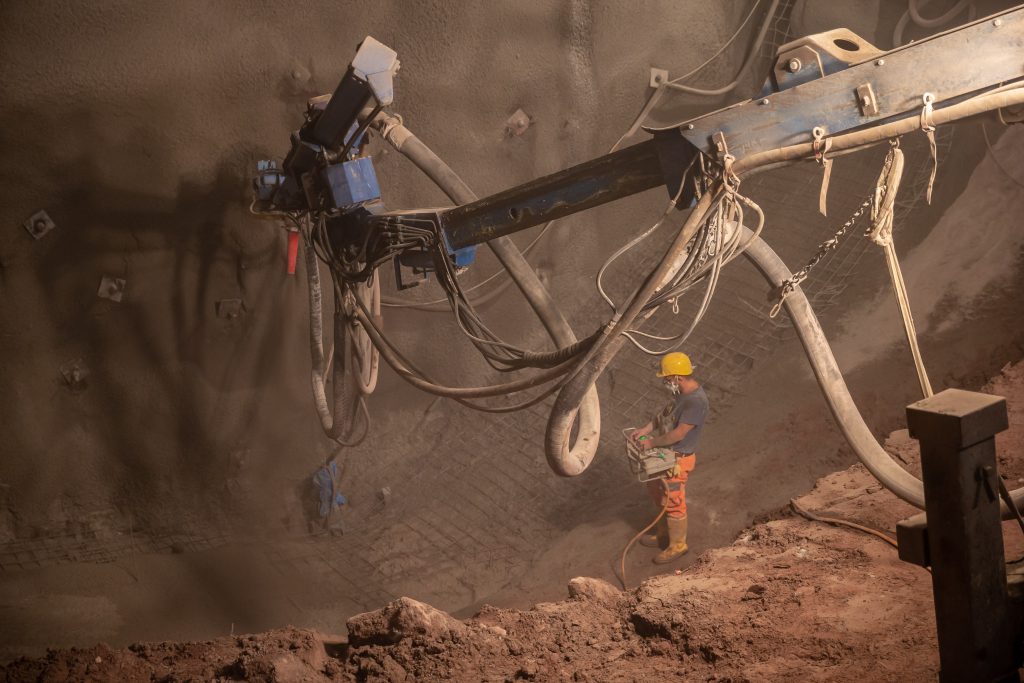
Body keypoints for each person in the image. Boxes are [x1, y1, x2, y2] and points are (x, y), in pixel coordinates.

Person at [629, 351, 709, 564]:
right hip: (665, 455)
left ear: (677, 377)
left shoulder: (696, 402)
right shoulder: (681, 394)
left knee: (673, 500)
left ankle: (678, 545)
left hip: (678, 460)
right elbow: (664, 414)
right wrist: (645, 429)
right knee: (656, 490)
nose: (665, 381)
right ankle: (663, 533)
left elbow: (679, 434)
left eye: (666, 378)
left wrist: (651, 442)